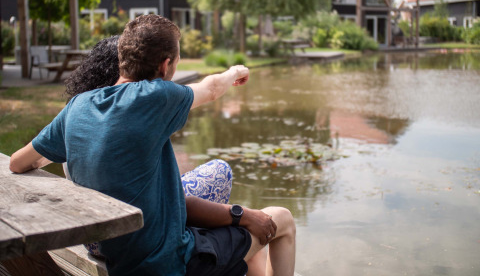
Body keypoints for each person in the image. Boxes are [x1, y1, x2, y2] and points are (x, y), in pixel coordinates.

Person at [10, 15, 296, 276]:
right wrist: (235, 71)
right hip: (169, 264)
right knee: (282, 220)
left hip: (116, 253)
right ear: (165, 65)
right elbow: (210, 89)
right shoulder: (154, 96)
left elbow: (19, 162)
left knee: (245, 240)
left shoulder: (78, 105)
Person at [63, 35, 234, 258]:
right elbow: (210, 89)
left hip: (93, 237)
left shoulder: (78, 111)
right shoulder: (141, 108)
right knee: (220, 172)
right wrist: (235, 72)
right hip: (135, 237)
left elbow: (28, 159)